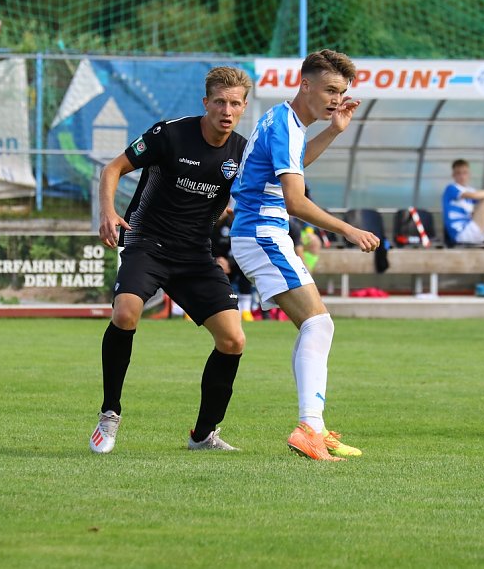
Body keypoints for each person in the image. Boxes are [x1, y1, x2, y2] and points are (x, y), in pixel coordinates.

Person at [89, 66, 253, 454]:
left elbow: (290, 171)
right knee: (126, 313)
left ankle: (203, 435)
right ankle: (109, 413)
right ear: (206, 103)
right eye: (219, 102)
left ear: (244, 107)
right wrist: (108, 212)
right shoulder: (171, 134)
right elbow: (113, 168)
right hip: (147, 242)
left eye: (234, 103)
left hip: (195, 254)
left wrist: (331, 130)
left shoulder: (242, 151)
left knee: (233, 340)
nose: (226, 110)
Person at [230, 49, 380, 461]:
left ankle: (314, 426)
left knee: (314, 325)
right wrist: (348, 229)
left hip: (262, 232)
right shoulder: (285, 125)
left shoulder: (287, 122)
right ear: (306, 84)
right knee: (319, 324)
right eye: (330, 90)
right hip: (261, 232)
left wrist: (333, 131)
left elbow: (294, 164)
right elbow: (295, 201)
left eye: (341, 92)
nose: (336, 99)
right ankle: (310, 427)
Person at [442, 159, 484, 247]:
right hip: (461, 234)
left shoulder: (470, 189)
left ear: (469, 174)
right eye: (458, 173)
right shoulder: (451, 188)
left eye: (465, 173)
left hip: (473, 229)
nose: (462, 176)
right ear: (453, 175)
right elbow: (474, 195)